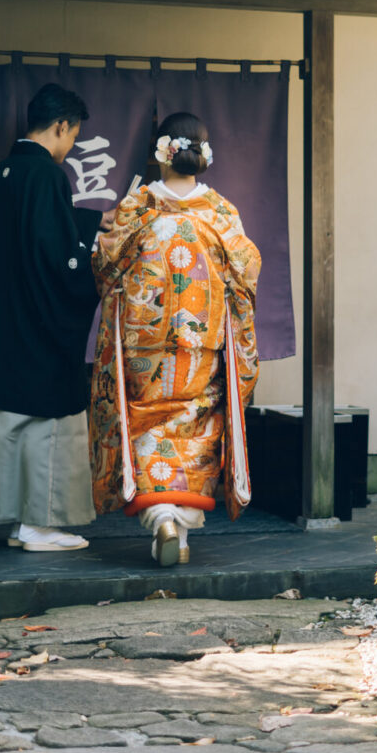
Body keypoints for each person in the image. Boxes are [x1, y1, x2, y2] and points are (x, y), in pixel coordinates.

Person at [89, 111, 260, 565]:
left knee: (146, 423)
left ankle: (161, 517)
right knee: (196, 427)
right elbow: (247, 272)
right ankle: (178, 533)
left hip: (143, 343)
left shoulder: (138, 205)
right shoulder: (221, 212)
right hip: (201, 343)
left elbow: (104, 266)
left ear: (160, 154)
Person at [0, 84, 104, 551]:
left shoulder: (4, 170)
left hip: (6, 318)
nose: (70, 148)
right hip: (39, 321)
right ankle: (40, 523)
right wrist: (91, 246)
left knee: (10, 418)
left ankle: (21, 523)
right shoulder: (44, 175)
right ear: (61, 125)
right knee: (46, 417)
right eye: (73, 136)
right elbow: (56, 254)